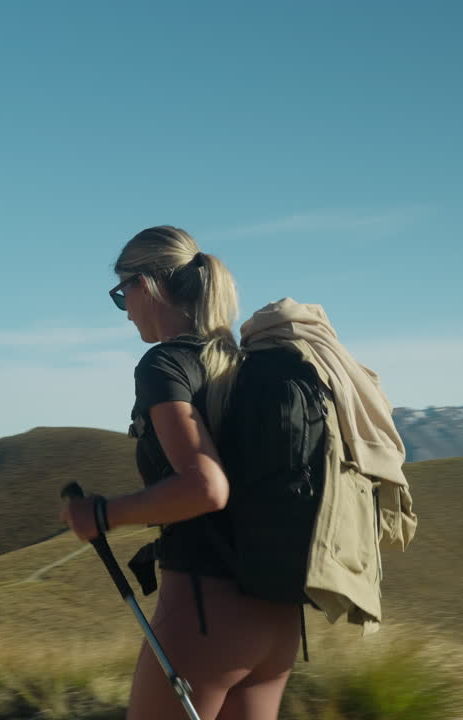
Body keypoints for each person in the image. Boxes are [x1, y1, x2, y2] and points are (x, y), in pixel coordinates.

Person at [60, 226, 300, 720]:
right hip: (280, 620)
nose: (124, 308)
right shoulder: (244, 365)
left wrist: (102, 514)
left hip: (205, 614)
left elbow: (205, 487)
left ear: (144, 285)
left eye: (120, 291)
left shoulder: (165, 365)